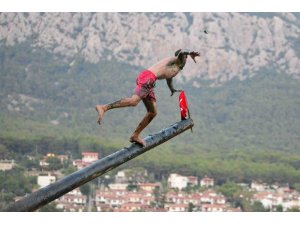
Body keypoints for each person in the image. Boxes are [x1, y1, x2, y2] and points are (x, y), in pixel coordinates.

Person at [95, 49, 200, 147]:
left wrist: (172, 89)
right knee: (134, 101)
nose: (186, 60)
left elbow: (169, 79)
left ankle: (135, 135)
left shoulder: (175, 68)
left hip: (150, 81)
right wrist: (189, 52)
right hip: (148, 78)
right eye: (185, 58)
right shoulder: (175, 60)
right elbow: (181, 52)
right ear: (183, 58)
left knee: (152, 112)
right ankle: (104, 107)